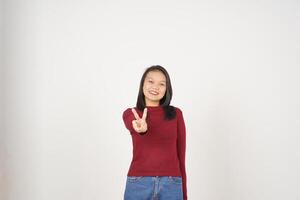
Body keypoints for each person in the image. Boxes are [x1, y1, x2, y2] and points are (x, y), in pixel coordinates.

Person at [122, 65, 188, 200]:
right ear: (142, 85)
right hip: (138, 183)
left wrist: (184, 194)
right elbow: (133, 124)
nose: (155, 87)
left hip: (172, 183)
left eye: (161, 84)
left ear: (167, 89)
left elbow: (181, 157)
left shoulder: (176, 114)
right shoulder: (132, 114)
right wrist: (141, 128)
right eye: (151, 81)